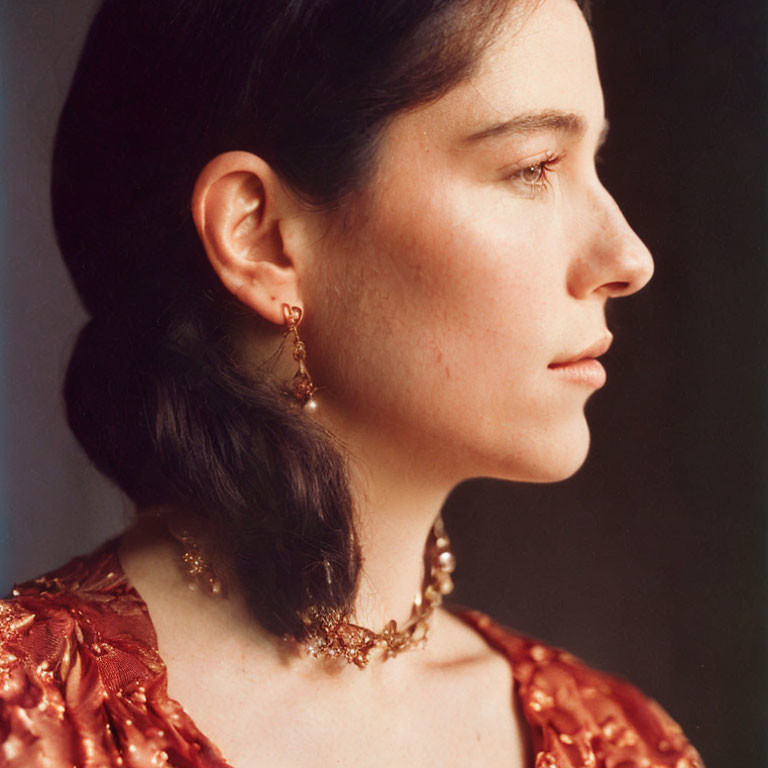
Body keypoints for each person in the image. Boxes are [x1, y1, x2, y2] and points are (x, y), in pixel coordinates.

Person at [0, 0, 705, 766]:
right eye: (533, 167)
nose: (629, 257)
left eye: (591, 162)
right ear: (261, 234)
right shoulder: (31, 716)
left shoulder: (622, 743)